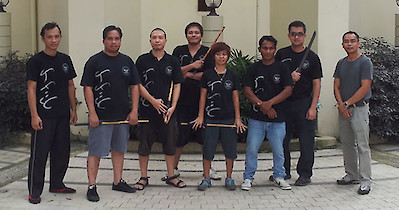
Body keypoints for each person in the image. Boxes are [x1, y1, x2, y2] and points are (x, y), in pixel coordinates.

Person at [80, 25, 140, 202]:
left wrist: (134, 110)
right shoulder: (94, 61)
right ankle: (92, 186)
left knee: (119, 150)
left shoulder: (127, 62)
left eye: (117, 39)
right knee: (96, 151)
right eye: (110, 38)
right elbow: (87, 87)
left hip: (122, 116)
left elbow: (135, 86)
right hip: (101, 117)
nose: (114, 42)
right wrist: (92, 112)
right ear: (104, 40)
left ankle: (118, 181)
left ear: (120, 40)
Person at [26, 22, 77, 204]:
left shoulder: (65, 60)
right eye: (50, 37)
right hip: (43, 116)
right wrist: (34, 115)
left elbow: (71, 85)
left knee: (62, 152)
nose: (53, 40)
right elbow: (31, 89)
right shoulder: (36, 61)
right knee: (39, 154)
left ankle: (57, 183)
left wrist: (73, 109)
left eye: (56, 36)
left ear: (60, 37)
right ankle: (34, 190)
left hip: (62, 113)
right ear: (43, 38)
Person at [134, 28, 186, 190]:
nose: (157, 40)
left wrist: (173, 106)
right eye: (154, 37)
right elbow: (137, 84)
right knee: (144, 145)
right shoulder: (142, 60)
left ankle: (171, 175)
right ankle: (143, 177)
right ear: (150, 41)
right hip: (146, 111)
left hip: (168, 112)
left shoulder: (173, 61)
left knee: (170, 144)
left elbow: (177, 85)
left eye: (160, 37)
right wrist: (152, 101)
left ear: (165, 40)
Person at [241, 36, 293, 191]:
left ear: (275, 50)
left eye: (271, 48)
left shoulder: (282, 68)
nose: (268, 51)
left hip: (278, 118)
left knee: (279, 151)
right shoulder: (253, 69)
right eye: (265, 48)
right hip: (257, 119)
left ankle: (279, 176)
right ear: (259, 49)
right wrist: (261, 105)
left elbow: (288, 89)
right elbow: (247, 91)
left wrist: (270, 104)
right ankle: (248, 178)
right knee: (251, 149)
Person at [192, 42, 246, 191]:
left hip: (228, 118)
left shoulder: (232, 75)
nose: (221, 57)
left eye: (224, 54)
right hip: (211, 118)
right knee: (208, 150)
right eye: (218, 54)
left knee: (230, 150)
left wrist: (237, 118)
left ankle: (229, 178)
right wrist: (200, 116)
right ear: (213, 56)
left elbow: (236, 98)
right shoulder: (207, 75)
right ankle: (206, 178)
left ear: (227, 56)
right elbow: (202, 97)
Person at [171, 22, 221, 181]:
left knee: (204, 137)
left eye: (196, 32)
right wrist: (192, 66)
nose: (193, 35)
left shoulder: (207, 52)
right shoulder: (178, 51)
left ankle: (208, 168)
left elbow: (210, 75)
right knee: (179, 136)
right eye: (190, 32)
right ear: (186, 35)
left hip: (203, 100)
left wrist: (188, 75)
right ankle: (173, 168)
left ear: (201, 35)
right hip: (181, 100)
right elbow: (173, 71)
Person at [275, 20, 323, 186]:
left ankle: (305, 174)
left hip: (304, 102)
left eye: (299, 34)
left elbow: (317, 83)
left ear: (305, 36)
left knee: (306, 140)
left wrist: (313, 107)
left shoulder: (312, 57)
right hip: (284, 103)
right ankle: (283, 170)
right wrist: (290, 77)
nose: (296, 37)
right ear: (289, 35)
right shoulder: (281, 54)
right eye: (293, 34)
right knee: (282, 139)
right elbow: (275, 78)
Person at [333, 31, 373, 195]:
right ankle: (351, 175)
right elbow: (336, 85)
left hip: (359, 109)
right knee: (348, 144)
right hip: (344, 110)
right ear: (342, 44)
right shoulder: (341, 63)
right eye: (346, 41)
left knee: (362, 146)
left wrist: (347, 104)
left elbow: (365, 87)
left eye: (352, 41)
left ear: (358, 43)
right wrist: (342, 106)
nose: (349, 44)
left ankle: (365, 181)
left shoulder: (365, 62)